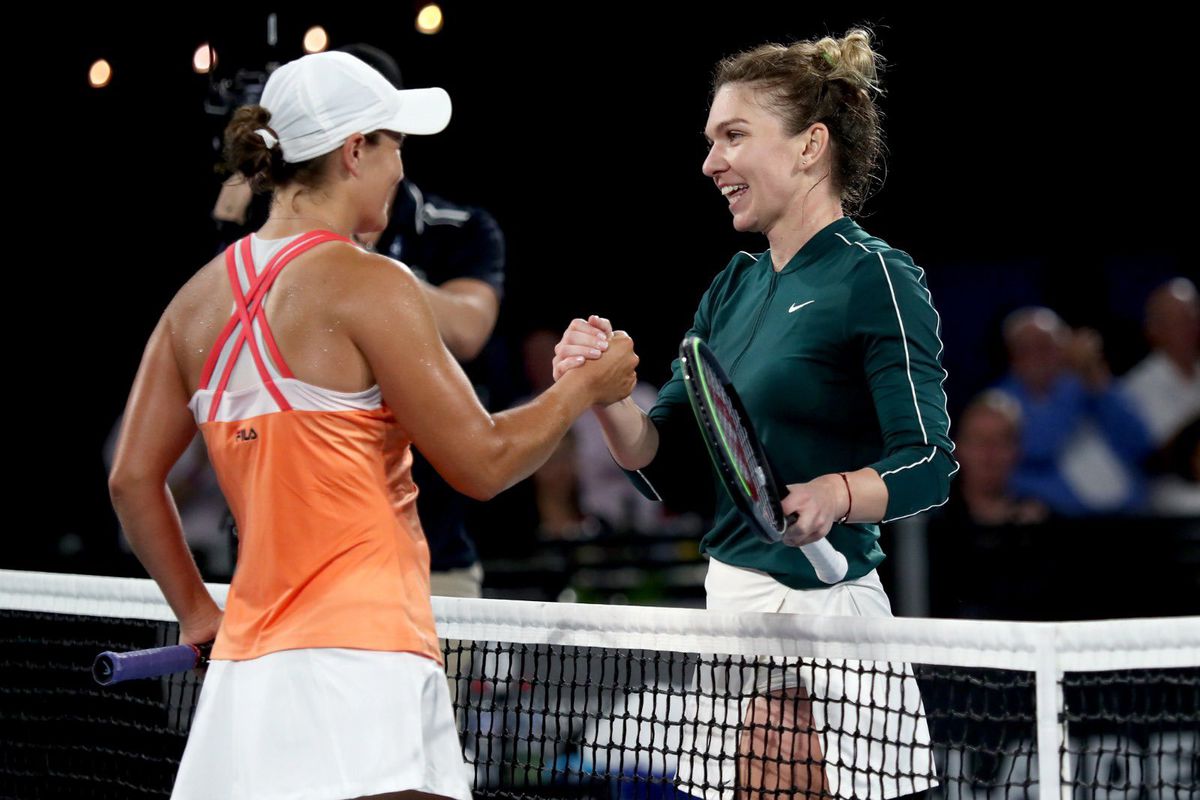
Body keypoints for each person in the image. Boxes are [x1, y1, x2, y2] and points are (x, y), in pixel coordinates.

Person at [107, 51, 638, 800]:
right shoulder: (372, 283)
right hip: (367, 663)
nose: (401, 170)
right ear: (355, 151)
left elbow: (131, 480)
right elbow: (483, 462)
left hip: (245, 677)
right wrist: (586, 386)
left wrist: (197, 613)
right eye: (394, 147)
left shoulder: (191, 304)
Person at [553, 29, 953, 800]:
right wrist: (602, 395)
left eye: (733, 136)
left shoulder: (876, 278)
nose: (710, 163)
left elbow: (928, 460)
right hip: (730, 610)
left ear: (810, 146)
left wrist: (835, 494)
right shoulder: (729, 289)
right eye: (710, 140)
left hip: (831, 620)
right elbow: (660, 455)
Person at [997, 306, 1151, 515]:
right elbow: (1040, 445)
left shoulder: (1088, 383)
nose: (1038, 357)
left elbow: (1139, 442)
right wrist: (1077, 378)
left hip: (1133, 513)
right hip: (1066, 524)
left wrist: (1097, 378)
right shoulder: (1001, 402)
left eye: (1047, 347)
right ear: (1012, 356)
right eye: (1027, 348)